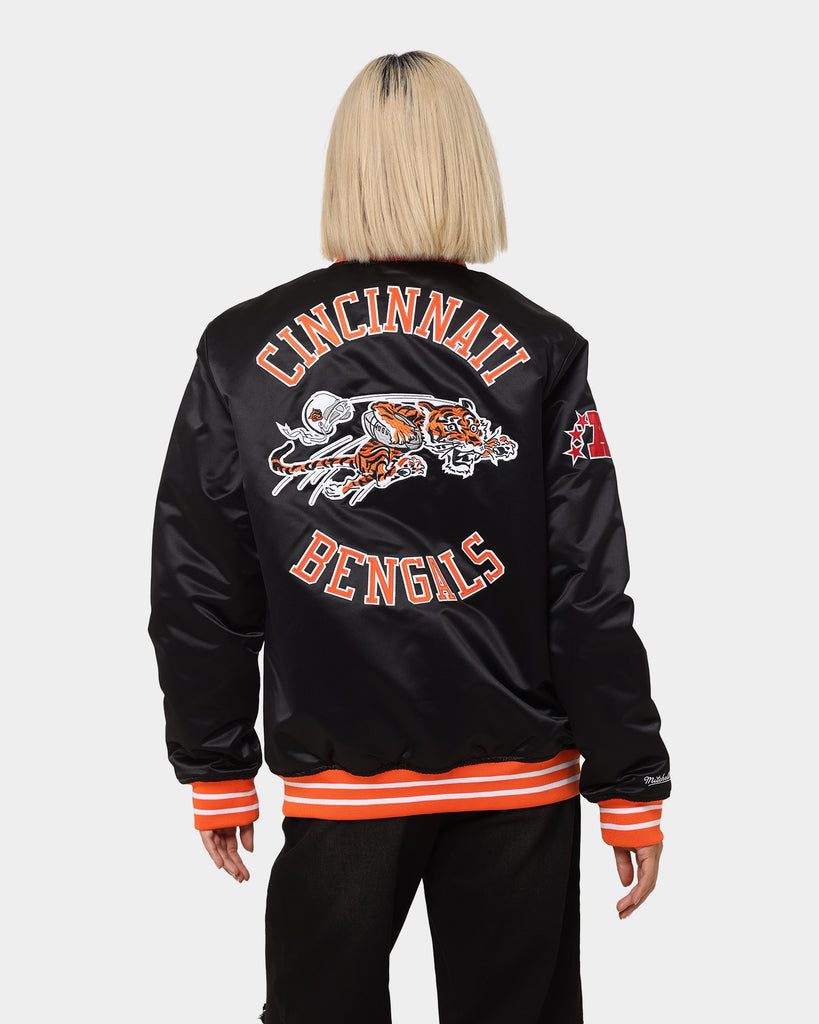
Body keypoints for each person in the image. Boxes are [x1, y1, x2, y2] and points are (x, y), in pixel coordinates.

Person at [148, 50, 671, 1024]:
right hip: (517, 777)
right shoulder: (539, 347)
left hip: (340, 775)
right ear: (466, 164)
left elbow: (200, 584)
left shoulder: (241, 350)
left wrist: (215, 764)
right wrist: (629, 776)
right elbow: (586, 588)